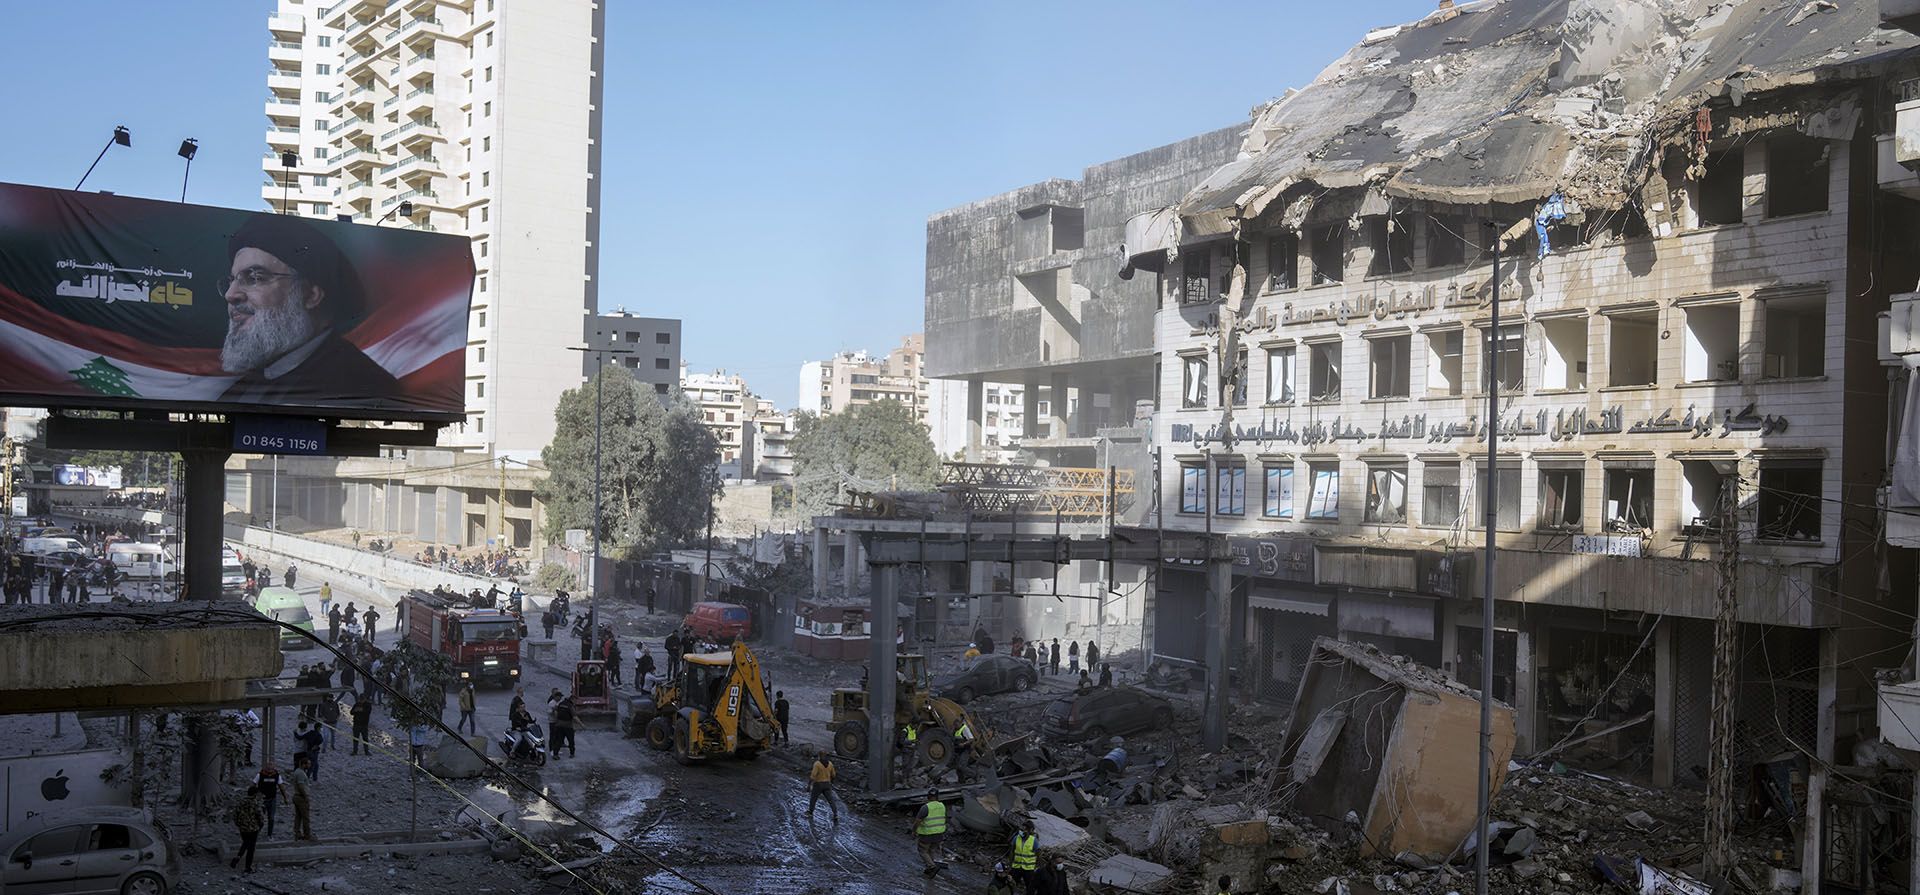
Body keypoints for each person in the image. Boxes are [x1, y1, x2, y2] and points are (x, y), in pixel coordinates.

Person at [216, 213, 400, 404]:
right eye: (232, 280)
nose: (230, 294)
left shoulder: (364, 385)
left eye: (255, 277)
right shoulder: (249, 383)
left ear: (311, 295)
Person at [230, 785, 265, 874]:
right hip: (253, 828)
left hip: (243, 828)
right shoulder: (255, 803)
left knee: (245, 842)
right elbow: (259, 815)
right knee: (251, 848)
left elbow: (235, 815)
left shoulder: (241, 802)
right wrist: (261, 824)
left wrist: (239, 824)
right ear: (255, 794)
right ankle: (248, 867)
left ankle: (238, 856)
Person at [914, 788, 948, 874]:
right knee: (931, 850)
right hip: (939, 834)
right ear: (937, 796)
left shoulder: (925, 807)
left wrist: (914, 830)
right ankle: (930, 868)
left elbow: (918, 821)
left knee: (923, 850)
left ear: (928, 796)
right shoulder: (942, 806)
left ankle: (931, 866)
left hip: (927, 834)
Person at [287, 754, 315, 841]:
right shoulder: (300, 773)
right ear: (303, 764)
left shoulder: (298, 771)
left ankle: (297, 833)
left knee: (298, 816)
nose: (309, 765)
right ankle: (307, 835)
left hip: (297, 796)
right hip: (301, 797)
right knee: (305, 817)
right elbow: (301, 786)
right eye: (308, 764)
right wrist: (305, 796)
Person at [252, 763, 284, 837]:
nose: (270, 770)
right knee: (260, 817)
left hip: (272, 799)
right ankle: (256, 832)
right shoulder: (260, 775)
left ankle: (270, 834)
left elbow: (281, 787)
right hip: (261, 800)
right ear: (265, 768)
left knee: (271, 818)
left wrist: (285, 797)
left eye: (271, 769)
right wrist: (254, 795)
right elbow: (253, 784)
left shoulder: (277, 776)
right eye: (268, 769)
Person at [807, 755, 839, 822]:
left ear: (820, 757)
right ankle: (835, 814)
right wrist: (831, 782)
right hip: (827, 784)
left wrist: (809, 785)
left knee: (813, 799)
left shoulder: (817, 764)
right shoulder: (830, 764)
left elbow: (813, 775)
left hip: (818, 784)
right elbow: (833, 775)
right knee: (831, 800)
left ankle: (810, 812)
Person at [1010, 818, 1038, 892]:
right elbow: (1012, 851)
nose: (1023, 831)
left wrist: (1035, 866)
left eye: (1025, 829)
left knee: (1030, 887)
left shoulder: (1034, 840)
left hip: (1028, 869)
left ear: (1029, 831)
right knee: (1011, 885)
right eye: (1022, 829)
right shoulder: (1016, 838)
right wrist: (1010, 863)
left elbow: (1038, 854)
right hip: (1016, 867)